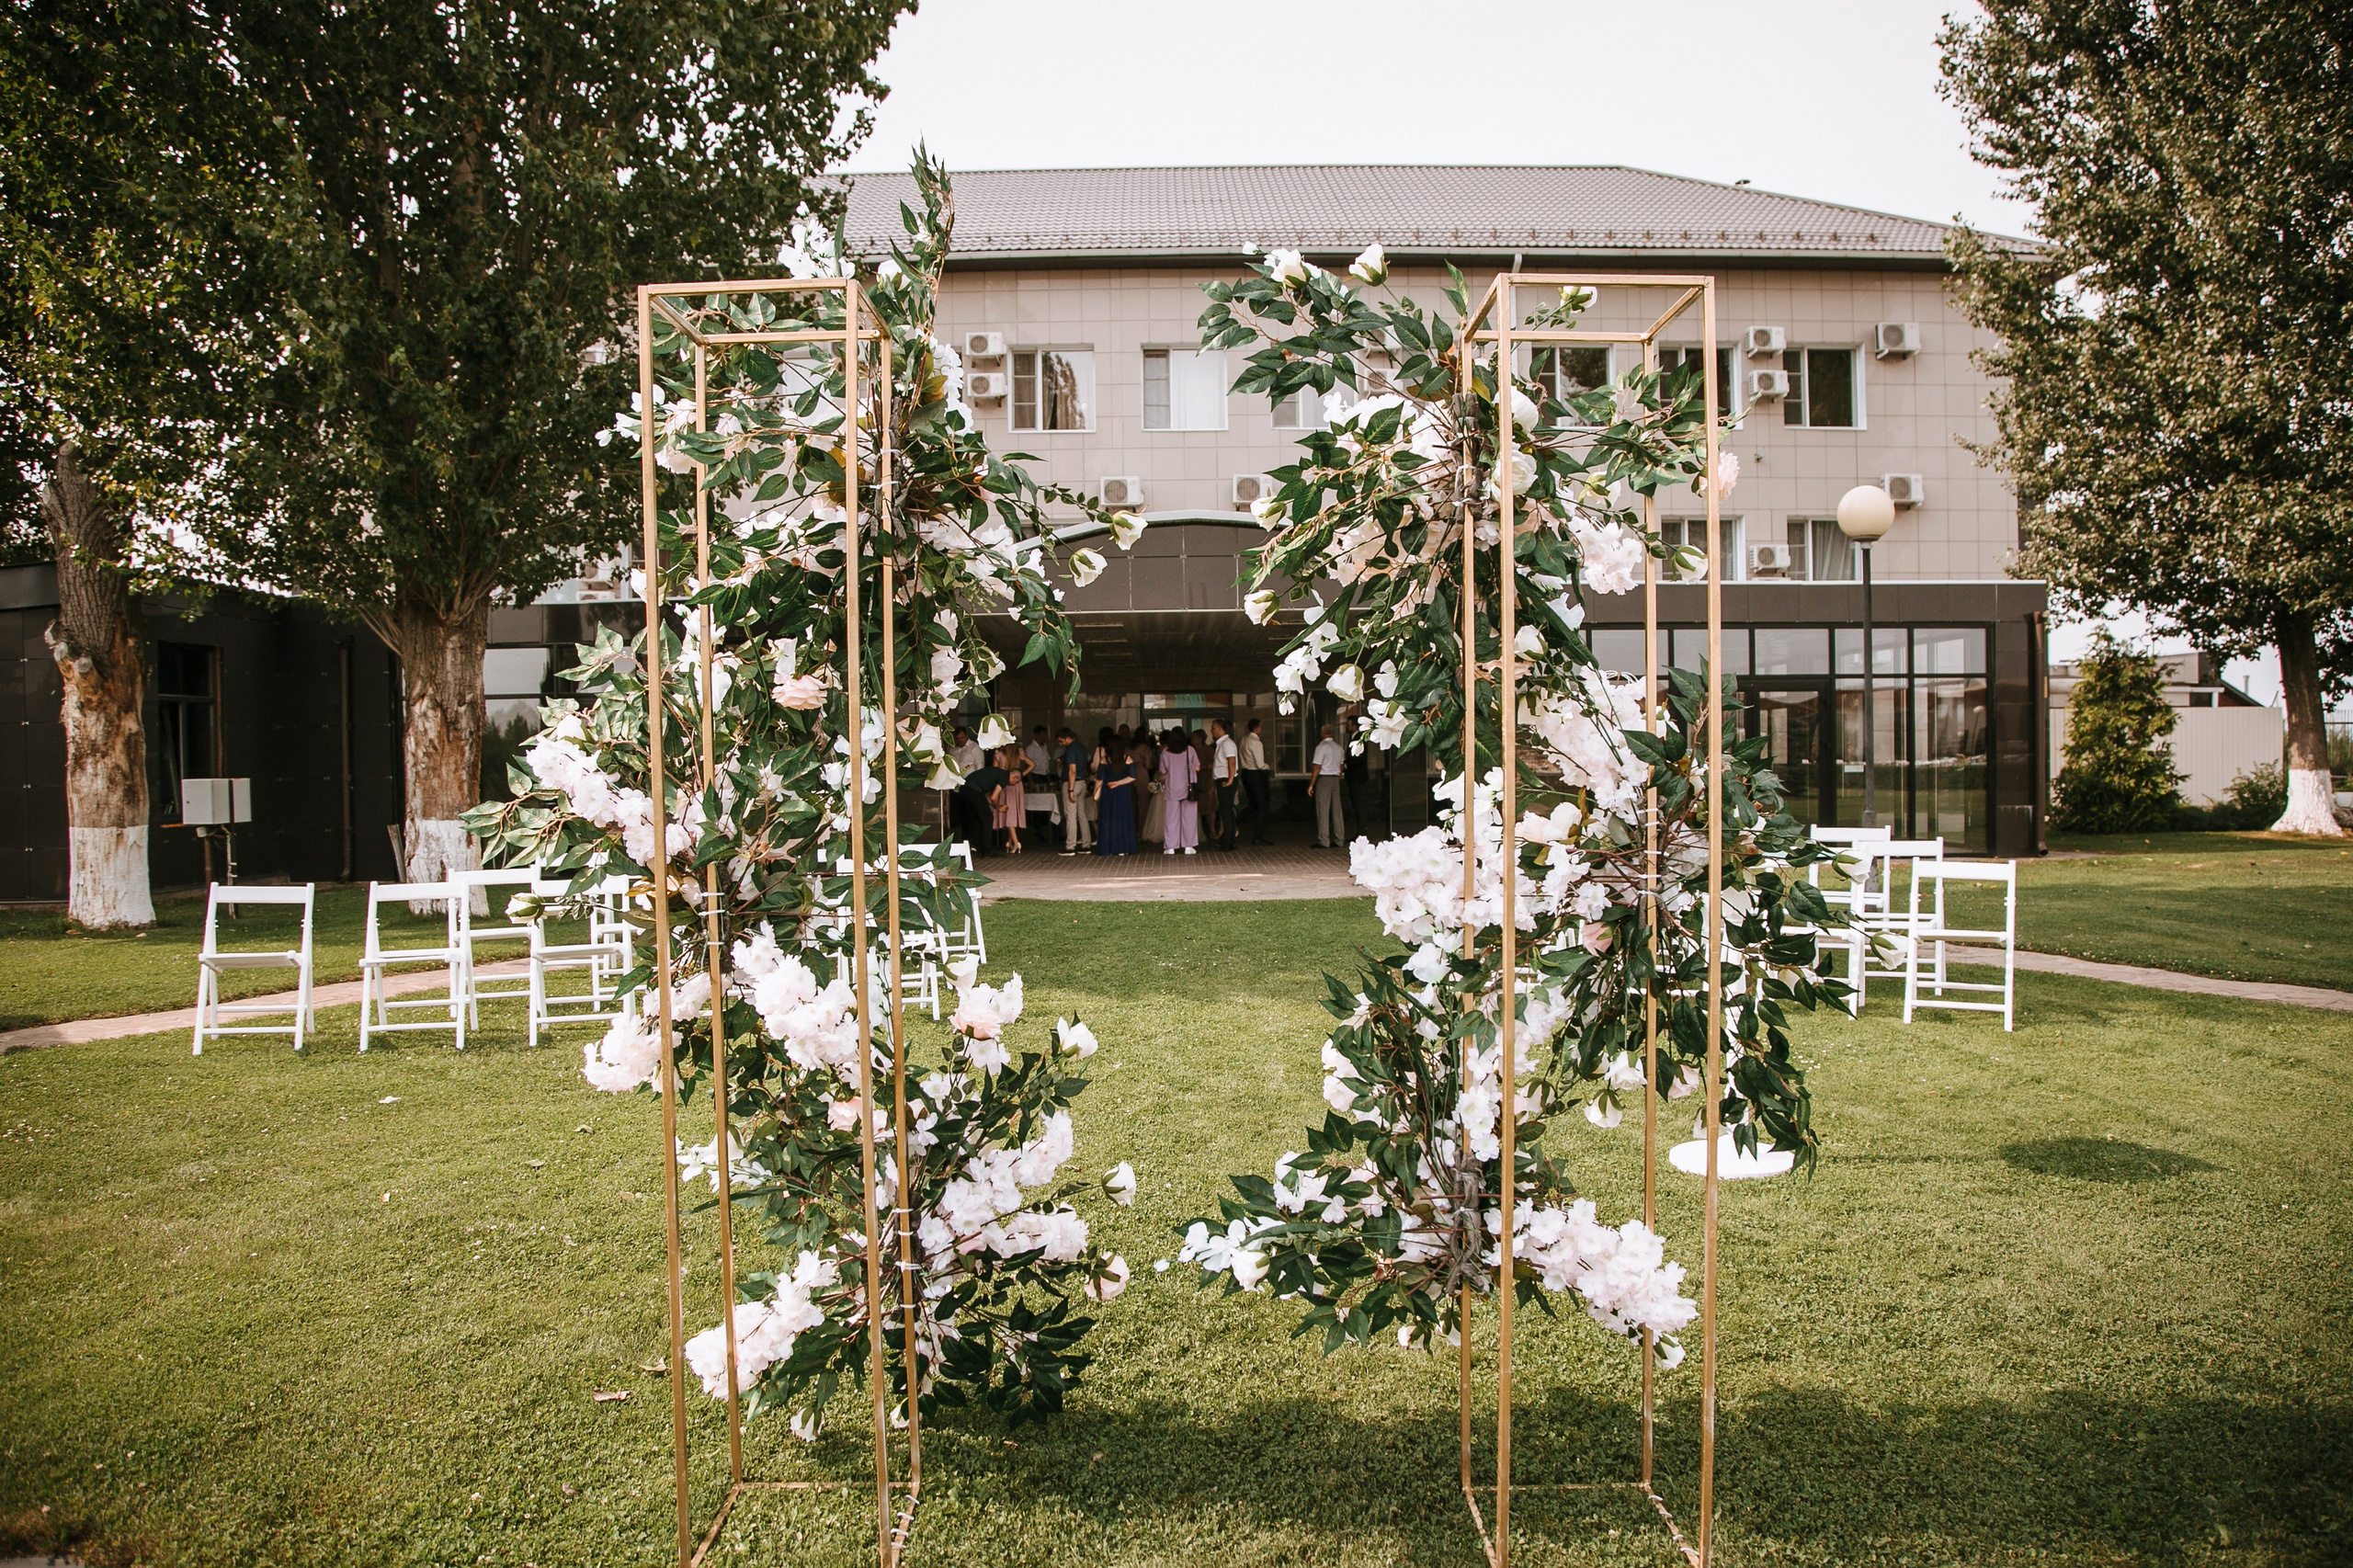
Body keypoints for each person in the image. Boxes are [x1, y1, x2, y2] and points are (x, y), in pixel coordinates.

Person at [1093, 731, 1137, 856]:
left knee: (1108, 819)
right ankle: (1123, 848)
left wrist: (1095, 793)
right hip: (1123, 793)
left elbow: (1099, 779)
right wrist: (1119, 783)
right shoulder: (1127, 758)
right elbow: (1133, 776)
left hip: (1108, 792)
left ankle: (1109, 848)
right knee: (1123, 819)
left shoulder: (1104, 760)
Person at [960, 745, 1008, 858]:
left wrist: (995, 806)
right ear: (1015, 778)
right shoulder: (1004, 776)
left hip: (965, 788)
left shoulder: (992, 774)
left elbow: (987, 796)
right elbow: (993, 797)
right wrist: (999, 807)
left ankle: (976, 846)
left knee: (975, 818)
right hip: (973, 790)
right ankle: (987, 850)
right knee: (987, 818)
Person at [1160, 726, 1199, 855]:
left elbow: (1163, 771)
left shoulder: (1165, 753)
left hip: (1172, 788)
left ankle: (1170, 847)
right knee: (1189, 817)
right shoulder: (1190, 750)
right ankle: (1188, 846)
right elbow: (1198, 768)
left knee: (1171, 818)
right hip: (1188, 788)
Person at [1309, 722, 1347, 848]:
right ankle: (1339, 839)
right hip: (1335, 778)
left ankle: (1324, 840)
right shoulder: (1339, 747)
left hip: (1324, 779)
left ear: (1322, 733)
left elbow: (1317, 767)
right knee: (1337, 810)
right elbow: (1341, 766)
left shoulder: (1321, 747)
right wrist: (1338, 779)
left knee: (1323, 810)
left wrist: (1311, 785)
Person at [1237, 717, 1273, 845]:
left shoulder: (1243, 739)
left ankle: (1234, 823)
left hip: (1245, 773)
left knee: (1253, 804)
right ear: (1256, 728)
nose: (1262, 729)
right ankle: (1257, 836)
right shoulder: (1256, 742)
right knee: (1262, 805)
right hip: (1256, 774)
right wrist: (1268, 767)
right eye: (1261, 727)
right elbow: (1260, 763)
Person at [1059, 726, 1095, 854]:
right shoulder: (1082, 747)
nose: (1061, 743)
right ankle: (1086, 844)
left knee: (1071, 815)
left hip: (1072, 783)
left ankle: (1070, 846)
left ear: (1068, 738)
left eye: (1062, 741)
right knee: (1082, 814)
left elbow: (1072, 770)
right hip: (1083, 782)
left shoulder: (1071, 750)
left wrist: (1070, 789)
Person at [1209, 718, 1241, 851]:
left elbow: (1231, 761)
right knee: (1226, 811)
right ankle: (1229, 839)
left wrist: (1230, 780)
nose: (1211, 730)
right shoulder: (1221, 744)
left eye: (1213, 728)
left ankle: (1227, 841)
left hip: (1226, 779)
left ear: (1219, 729)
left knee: (1226, 812)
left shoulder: (1227, 743)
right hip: (1222, 778)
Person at [1023, 726, 1056, 846]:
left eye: (1045, 735)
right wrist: (1030, 781)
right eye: (1042, 735)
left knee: (1048, 805)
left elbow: (1046, 763)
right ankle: (1037, 832)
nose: (1045, 737)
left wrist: (1049, 778)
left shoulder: (1044, 747)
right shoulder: (1030, 748)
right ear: (1036, 735)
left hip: (1044, 776)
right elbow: (1028, 766)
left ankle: (1052, 832)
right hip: (1035, 776)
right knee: (1037, 806)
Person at [994, 745, 1029, 855]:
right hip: (1017, 784)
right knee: (1012, 813)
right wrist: (1021, 775)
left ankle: (1016, 842)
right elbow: (1032, 764)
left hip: (1004, 783)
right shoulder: (1019, 753)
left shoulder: (998, 755)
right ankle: (1010, 843)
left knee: (1008, 813)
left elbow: (994, 771)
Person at [1136, 731, 1165, 846]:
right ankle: (1141, 829)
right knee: (1144, 803)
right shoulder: (1145, 748)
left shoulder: (1129, 748)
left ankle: (1137, 831)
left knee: (1134, 804)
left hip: (1129, 774)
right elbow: (1148, 765)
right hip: (1142, 773)